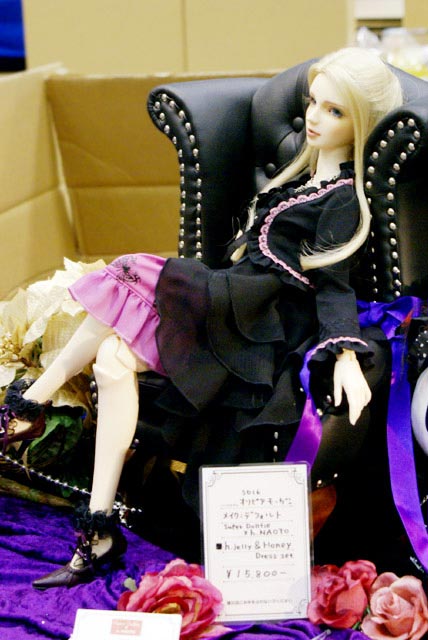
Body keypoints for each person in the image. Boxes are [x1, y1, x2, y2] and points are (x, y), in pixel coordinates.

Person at [0, 47, 403, 589]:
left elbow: (335, 286)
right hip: (230, 297)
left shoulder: (343, 200)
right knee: (113, 360)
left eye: (335, 111)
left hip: (252, 320)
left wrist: (346, 352)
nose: (314, 117)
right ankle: (96, 530)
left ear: (362, 122)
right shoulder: (298, 179)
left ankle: (25, 406)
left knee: (130, 270)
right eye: (313, 103)